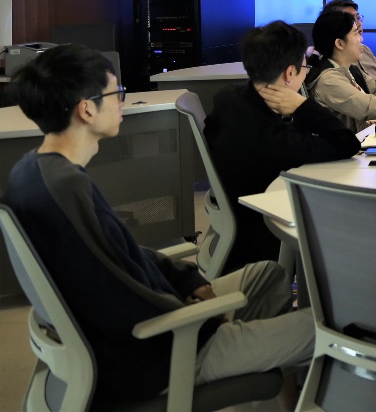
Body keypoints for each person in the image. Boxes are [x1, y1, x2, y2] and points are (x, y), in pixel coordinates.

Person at [3, 45, 312, 404]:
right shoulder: (66, 189)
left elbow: (121, 254)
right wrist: (198, 316)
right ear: (86, 109)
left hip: (151, 330)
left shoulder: (34, 168)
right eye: (117, 94)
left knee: (268, 275)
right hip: (159, 352)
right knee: (322, 328)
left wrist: (188, 280)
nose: (122, 103)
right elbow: (115, 293)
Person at [205, 21, 361, 273]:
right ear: (290, 74)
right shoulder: (277, 140)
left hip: (238, 216)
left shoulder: (227, 98)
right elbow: (346, 143)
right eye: (303, 68)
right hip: (267, 237)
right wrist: (302, 105)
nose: (305, 73)